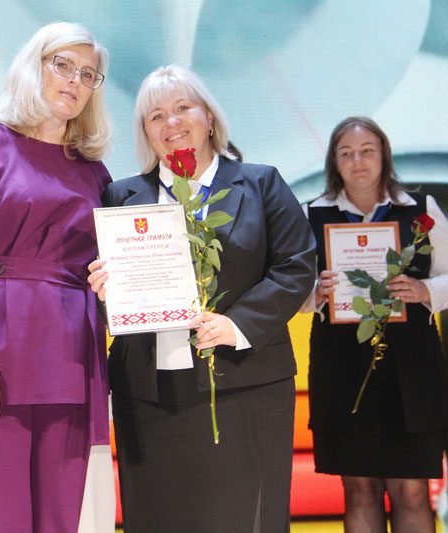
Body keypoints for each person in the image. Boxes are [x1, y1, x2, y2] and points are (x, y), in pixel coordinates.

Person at [87, 64, 316, 532]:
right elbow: (106, 299)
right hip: (150, 397)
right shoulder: (120, 197)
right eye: (156, 116)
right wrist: (107, 293)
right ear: (145, 132)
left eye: (182, 108)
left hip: (249, 386)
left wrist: (237, 324)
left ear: (208, 116)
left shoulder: (261, 184)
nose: (171, 123)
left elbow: (296, 265)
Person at [0, 22, 115, 533]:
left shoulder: (94, 172)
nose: (75, 81)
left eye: (88, 74)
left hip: (70, 360)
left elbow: (108, 269)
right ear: (34, 67)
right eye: (63, 65)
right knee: (1, 521)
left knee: (60, 521)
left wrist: (111, 283)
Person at [303, 116, 448, 532]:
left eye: (367, 151)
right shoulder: (311, 214)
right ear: (334, 162)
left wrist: (424, 290)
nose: (358, 161)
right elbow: (292, 289)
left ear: (384, 154)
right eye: (346, 153)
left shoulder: (421, 210)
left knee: (412, 491)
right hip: (341, 369)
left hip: (413, 371)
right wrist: (315, 293)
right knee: (359, 490)